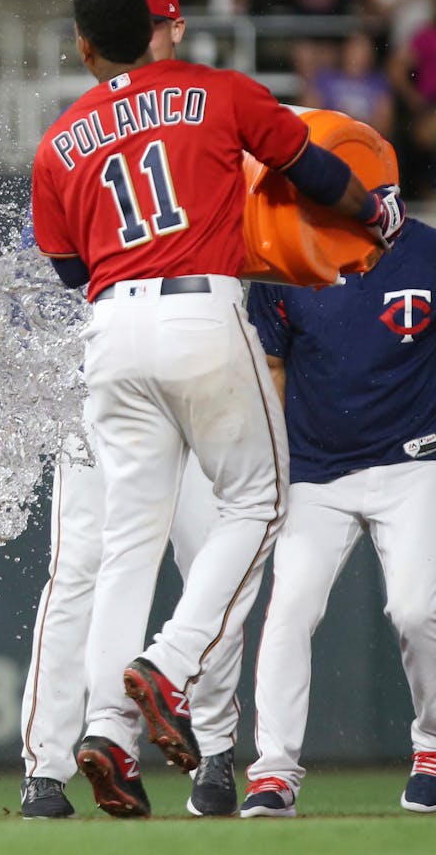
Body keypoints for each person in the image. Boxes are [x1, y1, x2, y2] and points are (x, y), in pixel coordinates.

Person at [30, 0, 405, 819]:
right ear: (163, 31)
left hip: (108, 332)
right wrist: (376, 217)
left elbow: (67, 271)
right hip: (200, 311)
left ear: (87, 48)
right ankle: (169, 662)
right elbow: (316, 173)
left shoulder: (59, 141)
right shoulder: (217, 92)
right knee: (261, 503)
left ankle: (108, 735)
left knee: (127, 545)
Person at [20, 0, 245, 821]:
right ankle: (62, 762)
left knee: (159, 562)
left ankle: (200, 752)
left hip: (116, 361)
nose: (153, 36)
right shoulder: (201, 108)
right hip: (168, 362)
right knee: (139, 563)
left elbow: (71, 267)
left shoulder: (80, 131)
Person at [240, 219, 436, 817]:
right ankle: (273, 772)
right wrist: (273, 465)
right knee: (290, 610)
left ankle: (431, 748)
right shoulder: (284, 259)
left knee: (418, 607)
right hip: (316, 468)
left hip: (415, 459)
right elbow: (271, 366)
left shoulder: (428, 253)